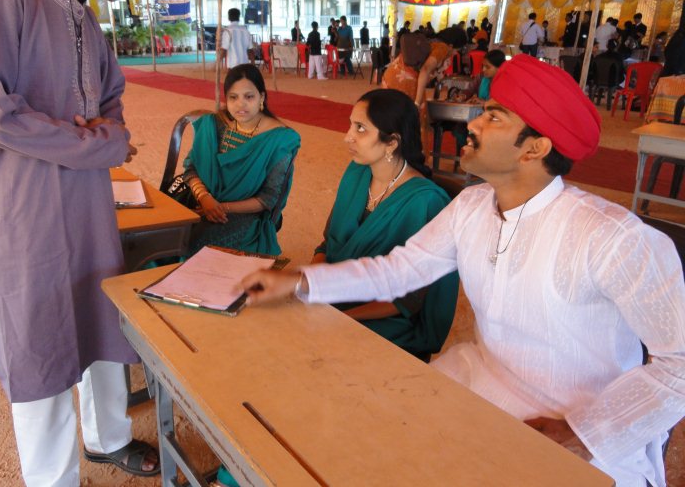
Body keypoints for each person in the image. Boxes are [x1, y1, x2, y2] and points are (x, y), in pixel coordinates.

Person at [241, 54, 685, 487]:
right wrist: (301, 281)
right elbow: (400, 270)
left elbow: (679, 366)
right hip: (482, 385)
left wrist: (582, 434)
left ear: (535, 148)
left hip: (578, 427)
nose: (473, 123)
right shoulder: (472, 206)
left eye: (494, 117)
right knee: (363, 435)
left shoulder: (613, 238)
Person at [0, 0, 162, 484]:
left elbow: (112, 97)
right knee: (39, 335)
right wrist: (96, 143)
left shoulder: (86, 19)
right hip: (26, 210)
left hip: (88, 204)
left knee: (99, 314)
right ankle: (53, 478)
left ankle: (107, 437)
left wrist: (108, 131)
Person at [314, 89, 458, 360]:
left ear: (392, 142)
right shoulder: (357, 172)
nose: (348, 136)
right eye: (350, 125)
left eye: (361, 128)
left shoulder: (425, 202)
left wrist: (342, 317)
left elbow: (406, 300)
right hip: (335, 294)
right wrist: (309, 284)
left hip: (388, 318)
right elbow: (327, 245)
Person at [183, 64, 300, 257]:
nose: (240, 104)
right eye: (233, 97)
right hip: (201, 199)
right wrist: (205, 198)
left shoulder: (279, 139)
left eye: (249, 97)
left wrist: (222, 207)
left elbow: (268, 198)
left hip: (246, 214)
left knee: (196, 244)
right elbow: (191, 168)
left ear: (262, 97)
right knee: (166, 231)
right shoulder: (215, 124)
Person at [383, 26, 466, 107]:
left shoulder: (432, 41)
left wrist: (440, 69)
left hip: (391, 76)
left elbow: (424, 77)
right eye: (457, 50)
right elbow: (425, 70)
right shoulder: (443, 48)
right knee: (416, 112)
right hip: (403, 80)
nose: (456, 53)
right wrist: (417, 103)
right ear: (451, 46)